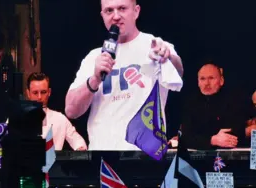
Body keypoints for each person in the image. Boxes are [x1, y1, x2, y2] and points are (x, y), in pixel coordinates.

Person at [65, 0, 184, 150]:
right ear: (102, 15)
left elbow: (179, 73)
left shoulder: (155, 44)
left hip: (145, 156)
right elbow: (71, 110)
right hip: (103, 157)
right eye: (109, 11)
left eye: (122, 8)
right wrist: (94, 80)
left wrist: (168, 57)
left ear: (136, 11)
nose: (115, 16)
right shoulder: (94, 57)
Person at [178, 62, 246, 150]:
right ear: (198, 82)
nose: (207, 83)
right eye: (202, 79)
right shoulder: (190, 104)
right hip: (197, 161)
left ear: (221, 81)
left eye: (211, 78)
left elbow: (235, 136)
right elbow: (185, 138)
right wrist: (212, 140)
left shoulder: (234, 102)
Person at [25, 72, 87, 150]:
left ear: (49, 92)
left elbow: (78, 141)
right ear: (28, 93)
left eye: (43, 92)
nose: (39, 97)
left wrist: (80, 149)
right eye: (35, 93)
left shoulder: (60, 119)